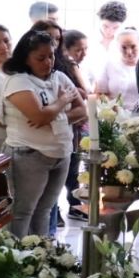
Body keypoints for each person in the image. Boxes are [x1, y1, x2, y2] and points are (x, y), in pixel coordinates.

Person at [0, 30, 85, 237]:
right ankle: (17, 261)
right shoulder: (19, 81)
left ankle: (41, 257)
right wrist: (62, 102)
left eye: (51, 56)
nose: (48, 62)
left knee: (45, 210)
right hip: (29, 154)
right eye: (41, 58)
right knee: (22, 211)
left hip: (61, 152)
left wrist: (52, 114)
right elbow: (38, 117)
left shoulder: (60, 77)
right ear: (26, 58)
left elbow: (82, 111)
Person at [31, 20, 89, 225]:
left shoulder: (64, 65)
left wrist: (57, 112)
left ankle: (60, 213)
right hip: (38, 140)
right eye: (49, 37)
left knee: (70, 172)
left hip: (68, 130)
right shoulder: (26, 72)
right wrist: (63, 102)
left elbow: (82, 99)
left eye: (57, 38)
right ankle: (51, 217)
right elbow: (37, 114)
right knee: (39, 192)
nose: (53, 43)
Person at [95, 27, 139, 110]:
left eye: (133, 46)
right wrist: (111, 107)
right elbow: (100, 93)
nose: (129, 52)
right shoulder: (110, 65)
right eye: (124, 47)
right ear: (117, 46)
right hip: (116, 115)